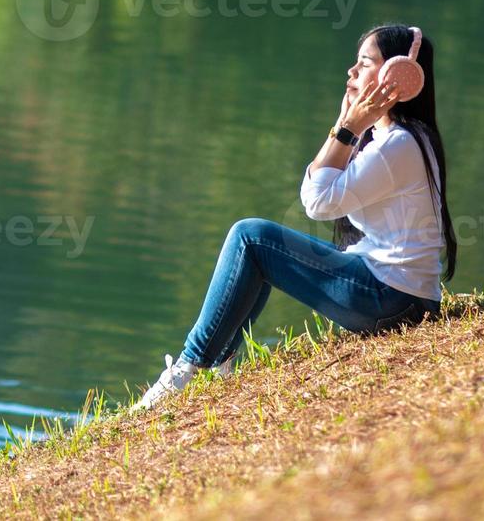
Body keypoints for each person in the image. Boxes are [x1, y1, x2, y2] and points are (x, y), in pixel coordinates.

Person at [131, 24, 455, 412]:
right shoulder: (396, 138)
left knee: (250, 238)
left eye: (364, 63)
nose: (351, 72)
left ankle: (186, 371)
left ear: (395, 77)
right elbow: (315, 195)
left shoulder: (397, 145)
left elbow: (317, 203)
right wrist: (345, 127)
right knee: (260, 252)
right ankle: (215, 363)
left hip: (393, 301)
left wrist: (349, 127)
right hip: (401, 298)